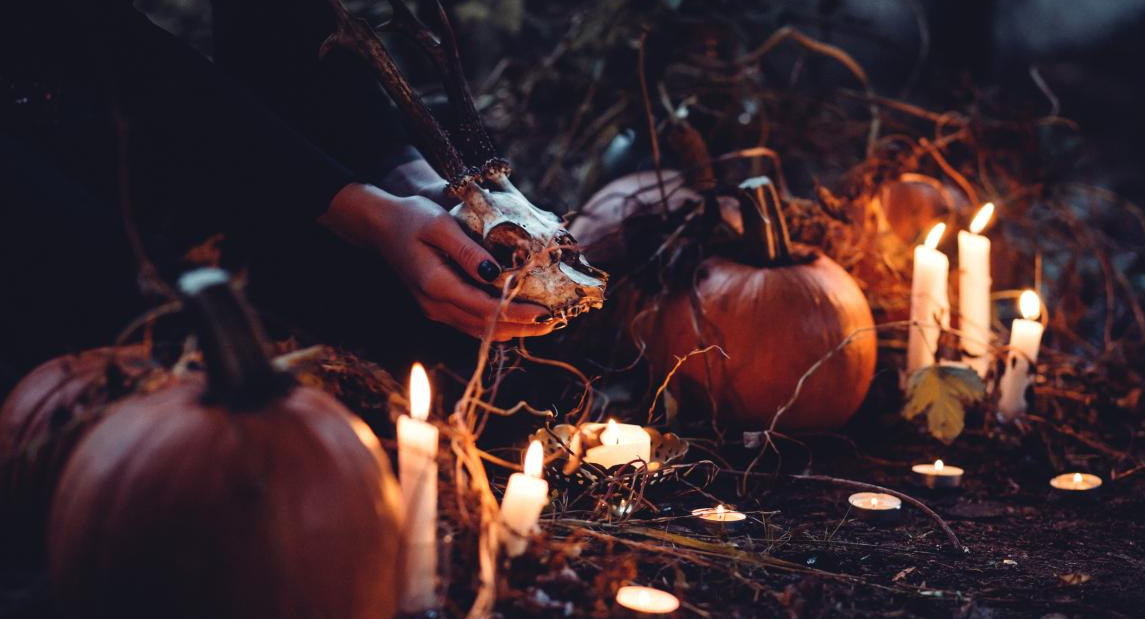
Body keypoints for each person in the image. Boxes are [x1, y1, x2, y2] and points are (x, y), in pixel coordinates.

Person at [0, 0, 554, 385]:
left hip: (173, 121)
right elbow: (119, 51)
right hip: (38, 147)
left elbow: (284, 23)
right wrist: (360, 207)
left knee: (399, 317)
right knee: (177, 333)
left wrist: (401, 176)